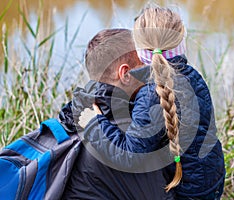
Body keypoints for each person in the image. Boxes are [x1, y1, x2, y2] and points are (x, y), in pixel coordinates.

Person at [81, 6, 226, 200]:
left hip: (185, 191)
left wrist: (95, 122)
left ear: (138, 49)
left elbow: (130, 155)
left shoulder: (151, 94)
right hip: (211, 178)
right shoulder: (193, 76)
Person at [61, 29, 174, 199]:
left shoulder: (75, 114)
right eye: (143, 62)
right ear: (125, 74)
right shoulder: (138, 133)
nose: (151, 68)